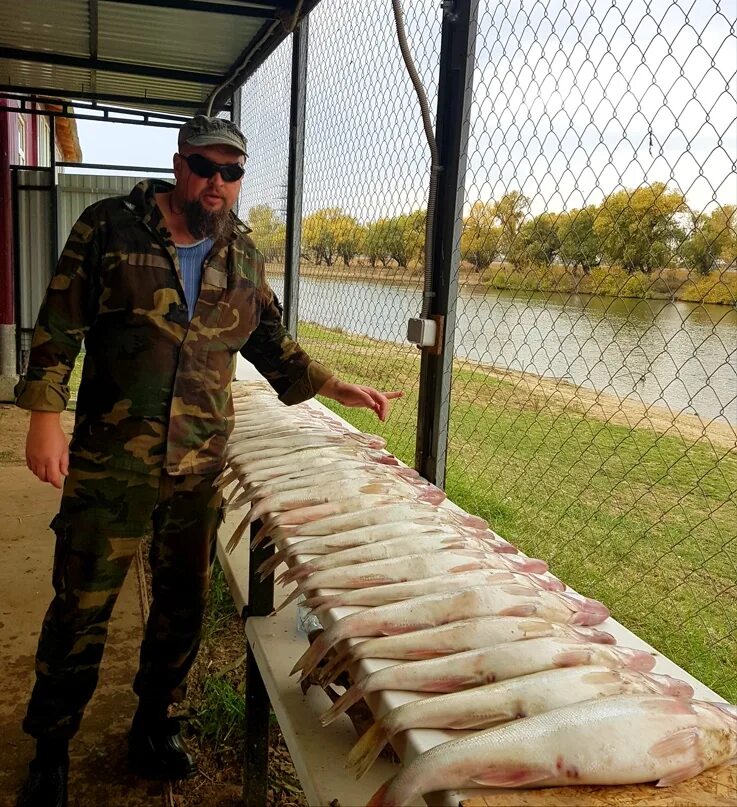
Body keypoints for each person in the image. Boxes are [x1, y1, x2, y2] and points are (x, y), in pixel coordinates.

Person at [15, 114, 401, 806]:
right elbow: (59, 326)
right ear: (178, 163)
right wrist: (46, 415)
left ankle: (155, 725)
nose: (215, 183)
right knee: (81, 608)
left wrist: (339, 385)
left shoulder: (242, 256)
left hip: (196, 468)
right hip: (111, 465)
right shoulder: (108, 227)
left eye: (230, 172)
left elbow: (273, 347)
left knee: (181, 608)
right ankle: (50, 745)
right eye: (204, 166)